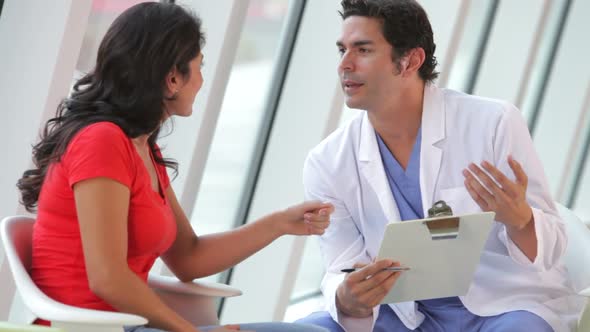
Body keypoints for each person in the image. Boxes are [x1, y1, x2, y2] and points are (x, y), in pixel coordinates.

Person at [16, 3, 332, 332]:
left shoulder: (141, 149)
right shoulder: (101, 142)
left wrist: (279, 223)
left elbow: (188, 258)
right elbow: (107, 279)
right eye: (199, 67)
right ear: (172, 79)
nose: (201, 81)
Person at [296, 0, 585, 331]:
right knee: (314, 327)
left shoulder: (492, 123)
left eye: (362, 50)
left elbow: (554, 247)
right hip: (399, 315)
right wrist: (346, 296)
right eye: (342, 50)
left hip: (501, 307)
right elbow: (341, 265)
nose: (344, 65)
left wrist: (520, 220)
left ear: (410, 60)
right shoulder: (327, 162)